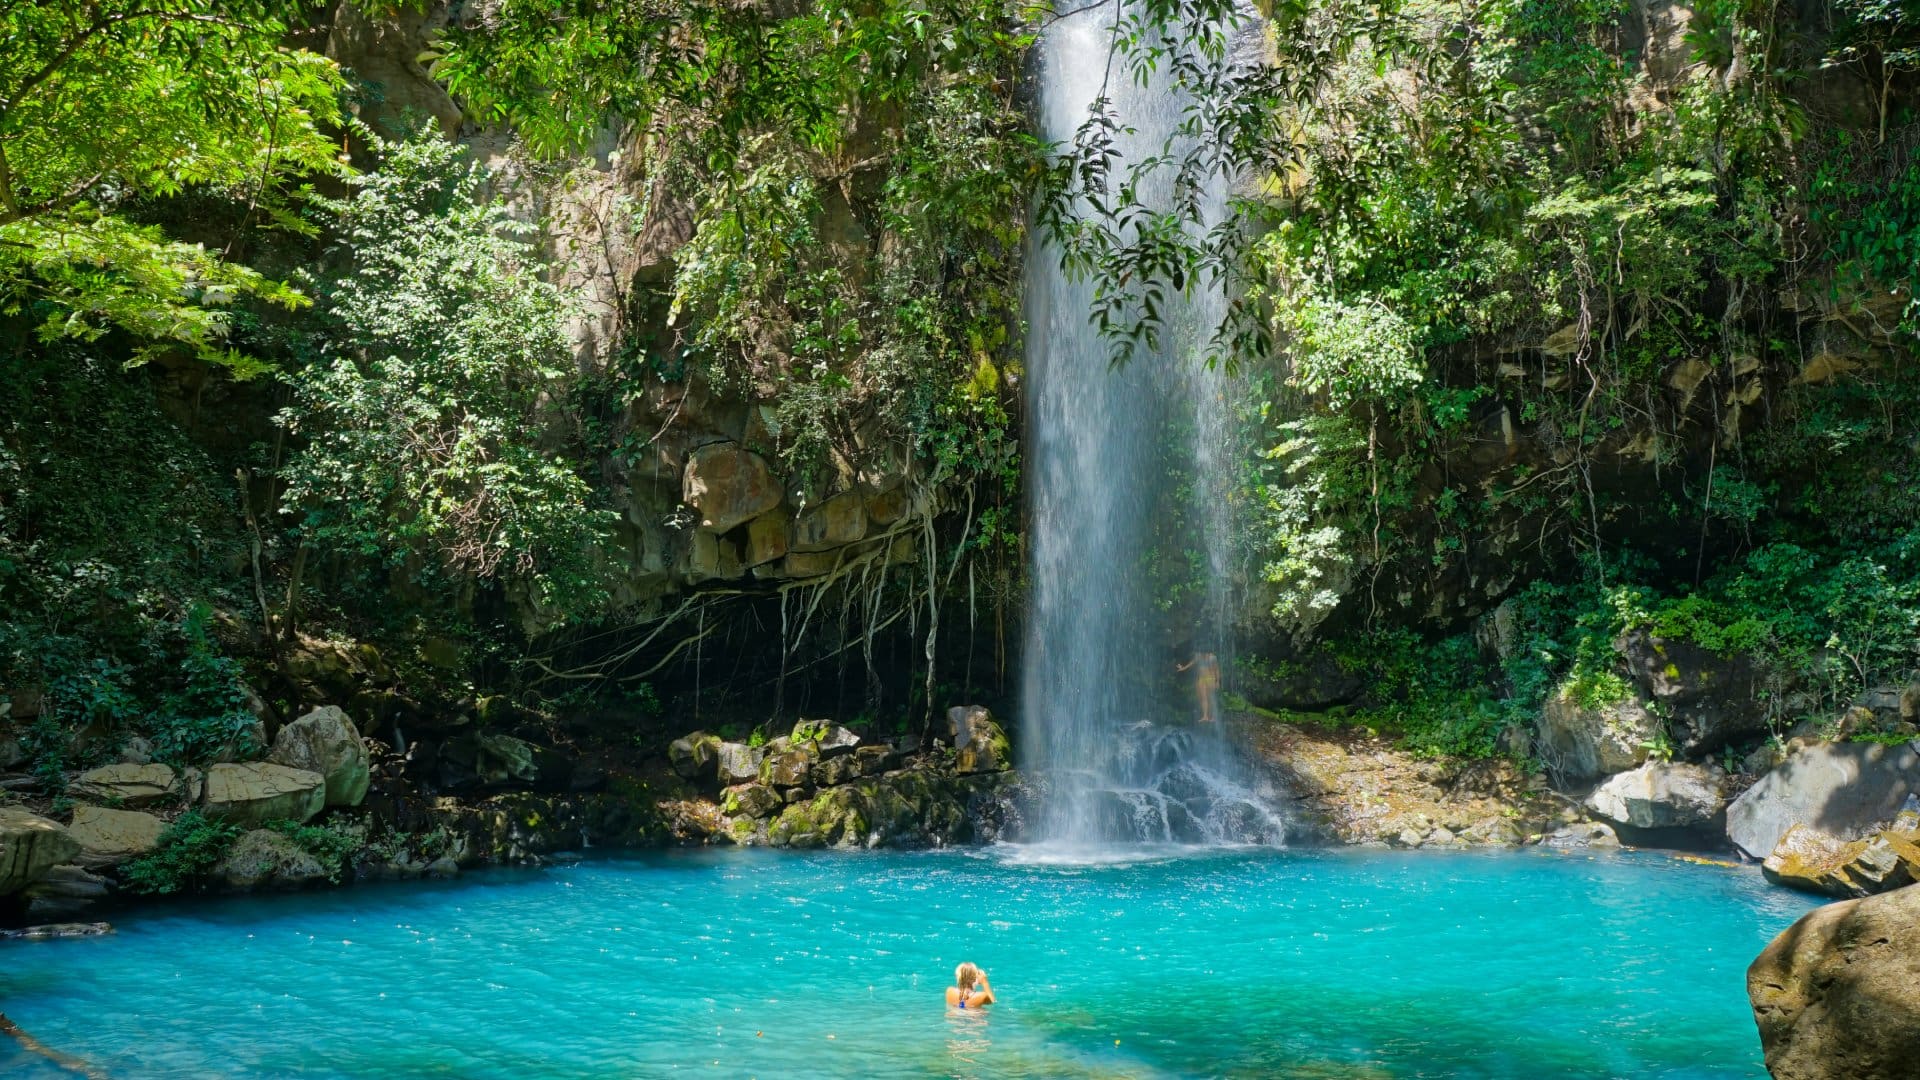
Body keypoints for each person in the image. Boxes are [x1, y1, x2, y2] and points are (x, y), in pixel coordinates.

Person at [1176, 651, 1221, 724]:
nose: (1203, 653)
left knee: (1210, 698)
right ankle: (1205, 716)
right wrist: (1183, 668)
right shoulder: (1198, 656)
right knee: (1203, 698)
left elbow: (1217, 669)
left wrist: (1217, 681)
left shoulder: (1213, 657)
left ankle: (1213, 716)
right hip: (1201, 679)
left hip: (1210, 678)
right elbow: (1191, 664)